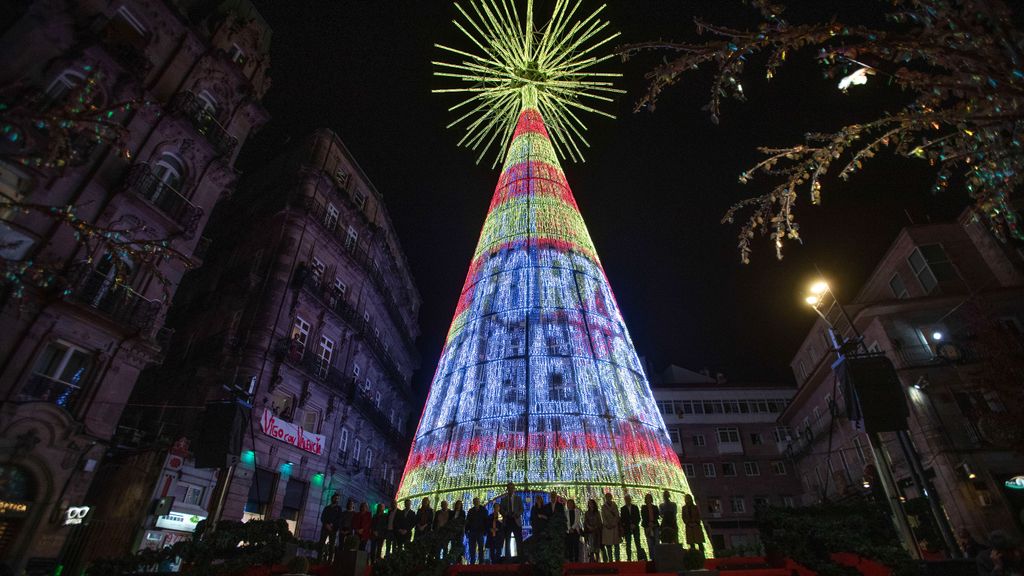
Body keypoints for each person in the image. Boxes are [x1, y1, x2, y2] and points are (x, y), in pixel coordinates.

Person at [499, 482, 524, 559]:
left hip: (516, 520)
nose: (510, 490)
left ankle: (520, 558)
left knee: (518, 540)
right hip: (507, 520)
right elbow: (501, 510)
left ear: (514, 489)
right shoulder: (503, 499)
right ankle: (508, 558)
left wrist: (517, 514)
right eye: (509, 488)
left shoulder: (518, 498)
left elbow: (522, 509)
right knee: (507, 540)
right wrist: (506, 514)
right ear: (507, 489)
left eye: (512, 488)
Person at [319, 494, 342, 563]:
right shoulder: (327, 508)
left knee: (331, 546)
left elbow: (339, 519)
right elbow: (322, 517)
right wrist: (326, 524)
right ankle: (319, 560)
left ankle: (329, 562)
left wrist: (332, 525)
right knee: (321, 544)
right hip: (325, 528)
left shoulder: (339, 509)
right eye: (335, 498)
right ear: (332, 499)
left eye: (338, 498)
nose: (336, 499)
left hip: (333, 529)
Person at [620, 494, 644, 561]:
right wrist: (627, 525)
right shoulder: (623, 509)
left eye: (628, 499)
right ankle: (629, 558)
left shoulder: (635, 507)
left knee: (637, 543)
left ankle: (640, 557)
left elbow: (638, 518)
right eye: (626, 499)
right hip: (627, 529)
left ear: (630, 499)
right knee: (628, 544)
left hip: (635, 527)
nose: (627, 500)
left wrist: (634, 524)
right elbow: (622, 519)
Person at [466, 497, 489, 564]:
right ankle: (472, 562)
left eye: (477, 501)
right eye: (475, 501)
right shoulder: (470, 511)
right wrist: (467, 531)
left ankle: (481, 562)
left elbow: (486, 521)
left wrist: (485, 531)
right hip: (472, 531)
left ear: (479, 502)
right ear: (473, 502)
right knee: (472, 548)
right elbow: (468, 521)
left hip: (480, 531)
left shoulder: (484, 510)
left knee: (481, 548)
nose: (476, 502)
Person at [600, 493, 621, 562]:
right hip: (607, 528)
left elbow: (617, 515)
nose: (608, 498)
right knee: (608, 545)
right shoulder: (603, 507)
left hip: (614, 527)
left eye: (609, 497)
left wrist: (614, 524)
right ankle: (610, 559)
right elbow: (603, 517)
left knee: (616, 544)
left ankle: (617, 559)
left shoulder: (614, 505)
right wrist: (607, 524)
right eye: (607, 497)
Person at [640, 493, 660, 560]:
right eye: (647, 498)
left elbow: (657, 516)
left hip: (655, 526)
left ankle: (657, 556)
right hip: (647, 527)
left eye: (649, 497)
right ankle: (652, 558)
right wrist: (649, 524)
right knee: (650, 543)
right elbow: (643, 516)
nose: (648, 499)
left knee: (657, 542)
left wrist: (653, 523)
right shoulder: (644, 508)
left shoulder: (655, 507)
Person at [564, 498, 583, 562]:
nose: (569, 505)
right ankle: (571, 560)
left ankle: (576, 560)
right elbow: (566, 522)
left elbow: (577, 521)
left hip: (575, 531)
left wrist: (572, 528)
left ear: (573, 504)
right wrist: (569, 528)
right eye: (568, 503)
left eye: (570, 503)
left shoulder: (577, 511)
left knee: (576, 546)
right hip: (569, 532)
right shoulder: (566, 512)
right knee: (570, 546)